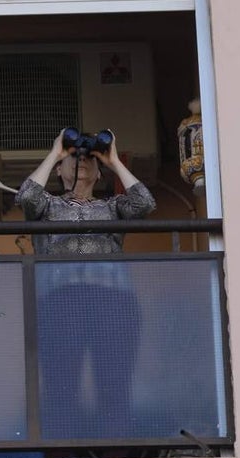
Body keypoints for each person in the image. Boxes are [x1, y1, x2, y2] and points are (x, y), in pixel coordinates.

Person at [17, 128, 156, 439]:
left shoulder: (113, 207)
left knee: (114, 386)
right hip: (59, 305)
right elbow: (27, 196)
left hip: (113, 305)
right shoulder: (48, 207)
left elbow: (144, 203)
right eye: (74, 159)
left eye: (90, 160)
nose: (82, 162)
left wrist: (113, 159)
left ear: (100, 173)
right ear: (58, 171)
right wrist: (57, 152)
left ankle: (115, 455)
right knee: (61, 386)